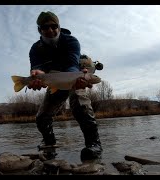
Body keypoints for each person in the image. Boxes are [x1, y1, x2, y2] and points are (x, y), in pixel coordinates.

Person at [27, 11, 103, 161]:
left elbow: (71, 66)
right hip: (53, 82)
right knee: (42, 117)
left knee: (81, 105)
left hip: (73, 77)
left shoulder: (71, 41)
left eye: (53, 26)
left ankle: (94, 144)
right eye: (45, 27)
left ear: (59, 27)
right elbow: (36, 68)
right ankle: (49, 142)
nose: (50, 30)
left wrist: (76, 78)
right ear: (39, 30)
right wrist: (36, 74)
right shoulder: (35, 49)